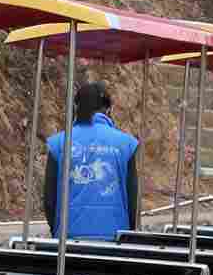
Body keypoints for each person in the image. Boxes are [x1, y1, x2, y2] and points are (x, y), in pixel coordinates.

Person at [43, 81, 141, 239]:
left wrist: (57, 229)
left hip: (68, 239)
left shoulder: (59, 143)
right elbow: (133, 201)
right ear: (108, 109)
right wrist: (128, 234)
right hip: (115, 239)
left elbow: (49, 199)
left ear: (76, 107)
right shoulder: (126, 144)